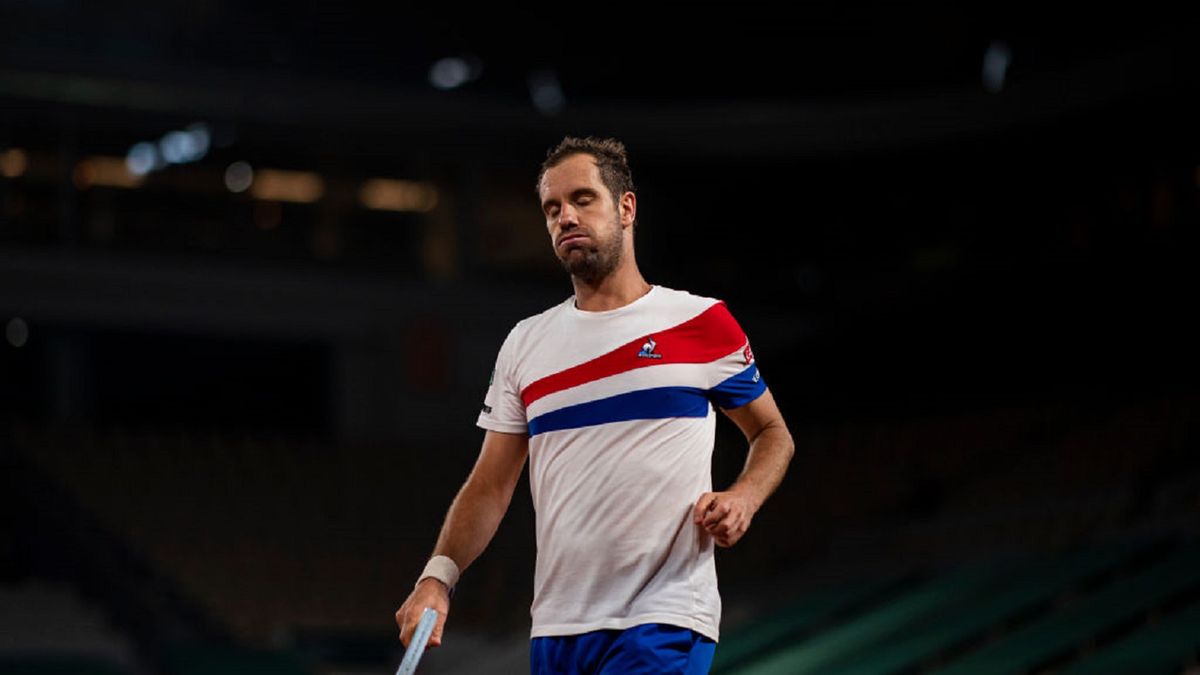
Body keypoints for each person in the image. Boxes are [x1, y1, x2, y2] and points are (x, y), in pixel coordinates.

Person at [395, 136, 794, 674]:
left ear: (626, 207)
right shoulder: (525, 344)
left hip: (665, 616)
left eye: (583, 199)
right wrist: (436, 579)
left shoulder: (700, 323)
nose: (565, 217)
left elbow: (773, 433)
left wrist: (745, 496)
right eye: (552, 208)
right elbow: (489, 484)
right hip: (558, 630)